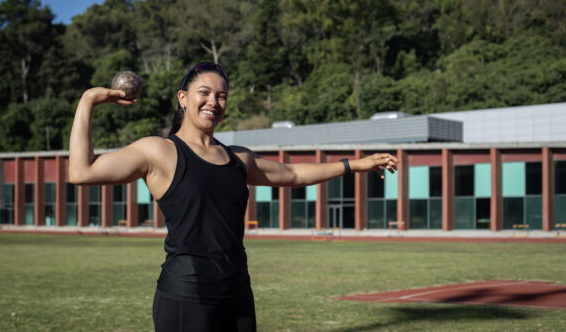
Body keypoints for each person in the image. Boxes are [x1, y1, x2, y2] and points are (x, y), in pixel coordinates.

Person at [68, 62, 399, 332]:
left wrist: (355, 165)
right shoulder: (159, 152)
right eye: (205, 93)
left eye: (221, 96)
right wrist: (88, 101)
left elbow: (295, 174)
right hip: (187, 295)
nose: (214, 102)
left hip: (238, 295)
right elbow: (81, 172)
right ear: (182, 98)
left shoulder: (239, 159)